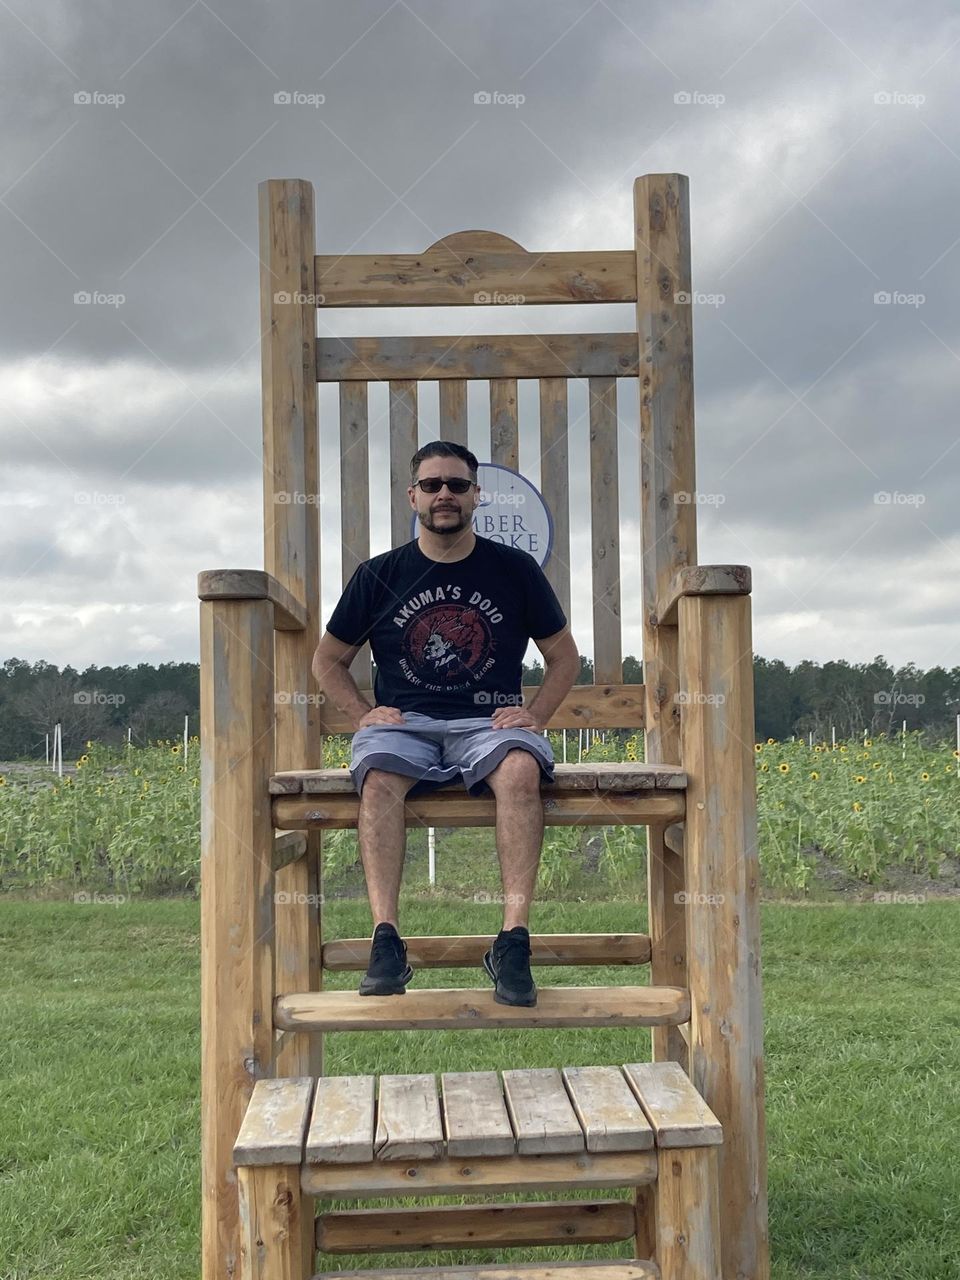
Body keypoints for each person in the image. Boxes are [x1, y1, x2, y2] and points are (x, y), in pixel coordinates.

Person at [311, 440, 580, 1006]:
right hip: (404, 723)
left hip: (488, 722)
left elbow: (564, 656)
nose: (444, 496)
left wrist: (535, 715)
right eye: (432, 485)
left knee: (519, 771)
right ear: (413, 496)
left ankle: (512, 940)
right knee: (380, 779)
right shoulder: (379, 574)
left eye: (457, 485)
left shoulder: (514, 570)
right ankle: (386, 939)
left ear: (477, 496)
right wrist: (363, 715)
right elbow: (327, 660)